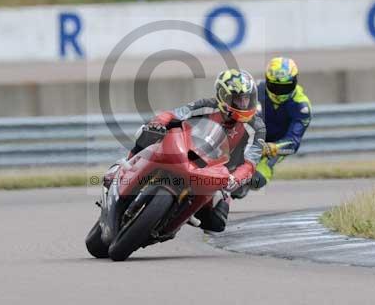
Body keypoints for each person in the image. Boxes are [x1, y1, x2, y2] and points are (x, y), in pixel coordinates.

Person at [105, 69, 266, 232]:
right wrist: (158, 123)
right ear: (223, 96)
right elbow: (173, 114)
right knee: (150, 133)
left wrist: (235, 178)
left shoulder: (257, 126)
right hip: (189, 152)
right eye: (238, 99)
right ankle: (122, 170)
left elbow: (250, 162)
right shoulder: (206, 106)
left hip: (220, 173)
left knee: (216, 224)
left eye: (247, 98)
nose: (244, 104)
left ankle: (178, 217)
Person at [231, 57, 312, 199]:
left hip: (274, 147)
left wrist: (270, 148)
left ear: (294, 81)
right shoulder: (254, 91)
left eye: (285, 87)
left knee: (258, 180)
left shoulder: (302, 106)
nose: (280, 92)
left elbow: (293, 143)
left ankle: (242, 185)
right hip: (249, 136)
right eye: (275, 86)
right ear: (267, 81)